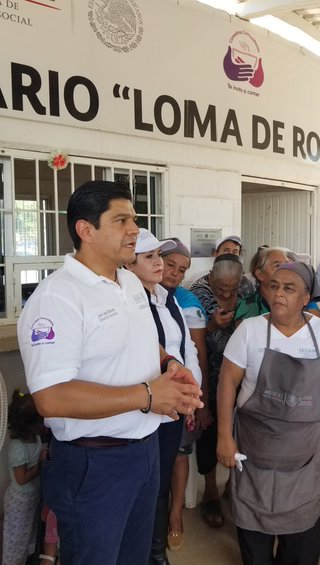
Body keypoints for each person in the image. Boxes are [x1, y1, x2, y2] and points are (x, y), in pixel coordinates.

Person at [18, 181, 203, 564]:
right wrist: (149, 396)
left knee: (134, 557)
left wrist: (170, 364)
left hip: (144, 451)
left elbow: (141, 340)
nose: (134, 229)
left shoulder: (131, 282)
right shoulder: (57, 298)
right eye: (121, 220)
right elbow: (51, 398)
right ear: (86, 230)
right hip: (94, 463)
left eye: (133, 219)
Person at [216, 262, 320, 565]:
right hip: (256, 452)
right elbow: (227, 383)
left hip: (303, 456)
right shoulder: (250, 330)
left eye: (288, 288)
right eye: (274, 286)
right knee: (255, 537)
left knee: (302, 540)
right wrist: (225, 437)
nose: (278, 294)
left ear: (306, 298)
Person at [125, 229, 205, 565]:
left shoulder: (166, 298)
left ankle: (155, 552)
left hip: (174, 407)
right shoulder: (129, 301)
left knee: (158, 483)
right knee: (145, 486)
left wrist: (193, 392)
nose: (160, 265)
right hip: (146, 408)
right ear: (128, 265)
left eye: (162, 257)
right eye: (152, 258)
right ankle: (147, 552)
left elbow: (185, 351)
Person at [190, 253, 247, 530]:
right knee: (210, 431)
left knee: (242, 429)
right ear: (211, 276)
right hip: (209, 372)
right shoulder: (198, 293)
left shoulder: (247, 287)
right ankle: (210, 491)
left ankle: (233, 485)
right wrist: (212, 325)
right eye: (221, 287)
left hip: (242, 374)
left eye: (231, 289)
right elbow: (192, 341)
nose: (227, 293)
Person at [160, 239, 209, 551]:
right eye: (170, 265)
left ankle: (175, 515)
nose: (175, 274)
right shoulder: (134, 296)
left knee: (179, 455)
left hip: (179, 396)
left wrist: (195, 394)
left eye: (182, 270)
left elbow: (193, 350)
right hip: (149, 398)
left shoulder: (183, 302)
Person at [4, 391, 45, 565]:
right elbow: (21, 479)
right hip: (20, 501)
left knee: (28, 534)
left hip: (32, 497)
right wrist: (40, 464)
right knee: (16, 539)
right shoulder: (18, 448)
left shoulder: (34, 437)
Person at [236, 246, 320, 320]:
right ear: (260, 274)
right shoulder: (247, 305)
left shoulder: (299, 299)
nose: (284, 270)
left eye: (287, 265)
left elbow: (316, 329)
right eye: (277, 266)